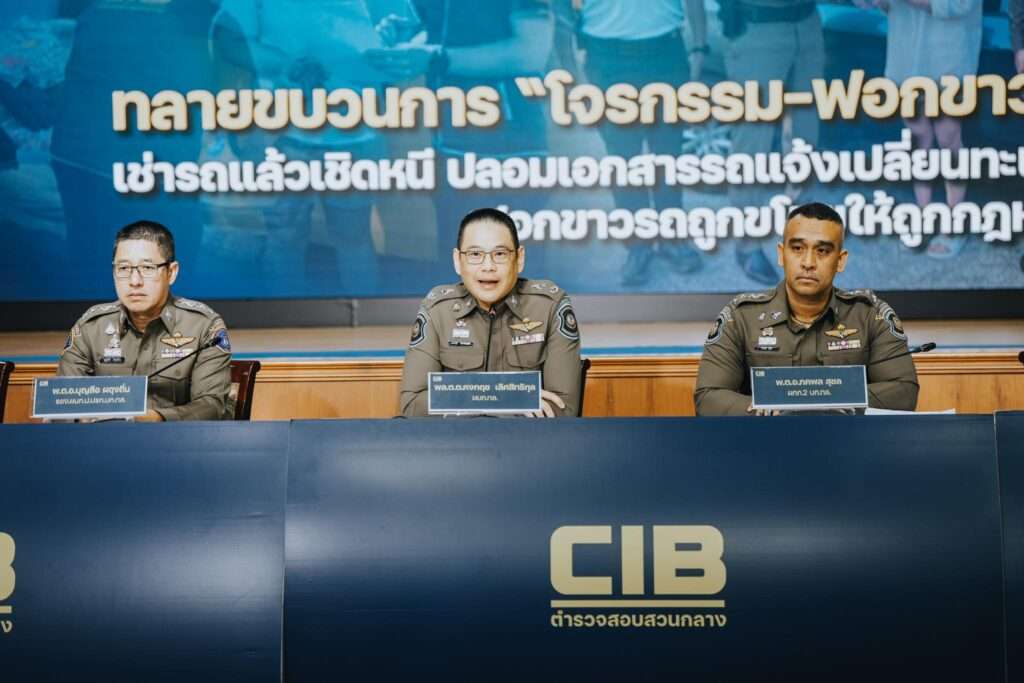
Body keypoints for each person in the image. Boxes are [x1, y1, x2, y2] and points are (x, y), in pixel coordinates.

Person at [694, 202, 919, 416]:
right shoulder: (742, 317)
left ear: (840, 261)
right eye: (798, 248)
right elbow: (708, 397)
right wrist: (765, 410)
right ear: (781, 254)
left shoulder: (869, 314)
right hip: (766, 439)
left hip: (848, 439)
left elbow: (903, 391)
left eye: (822, 251)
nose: (808, 262)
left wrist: (824, 401)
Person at [399, 207, 582, 417]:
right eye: (475, 254)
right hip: (458, 438)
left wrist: (463, 402)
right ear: (458, 260)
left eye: (500, 254)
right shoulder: (437, 310)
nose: (488, 266)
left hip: (528, 437)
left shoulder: (549, 306)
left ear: (519, 258)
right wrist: (506, 399)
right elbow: (412, 406)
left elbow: (563, 409)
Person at [57, 220, 232, 421]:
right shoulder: (91, 327)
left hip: (178, 439)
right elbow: (62, 403)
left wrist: (157, 418)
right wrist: (80, 418)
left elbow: (211, 406)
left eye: (147, 268)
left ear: (171, 272)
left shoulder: (203, 326)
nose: (134, 281)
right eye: (124, 268)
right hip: (103, 438)